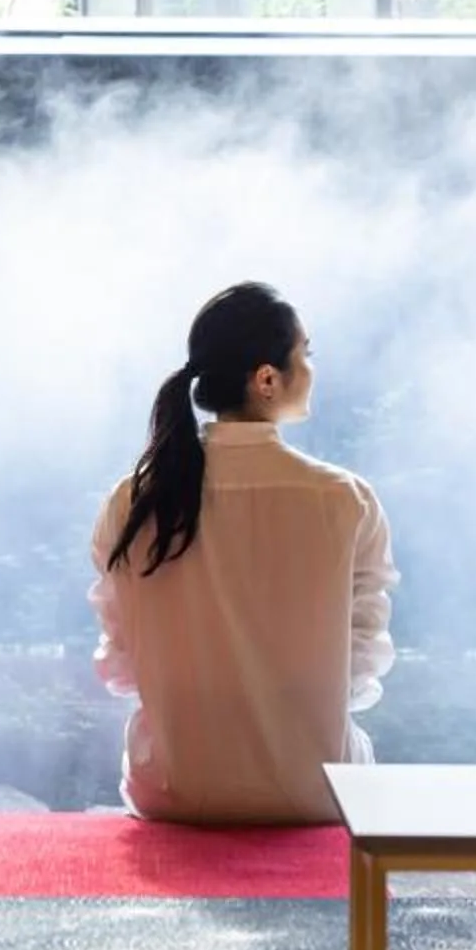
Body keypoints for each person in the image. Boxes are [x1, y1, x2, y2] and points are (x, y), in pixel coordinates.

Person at [89, 282, 398, 824]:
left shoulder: (133, 502)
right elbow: (363, 658)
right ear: (267, 379)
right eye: (305, 353)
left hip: (175, 791)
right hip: (316, 793)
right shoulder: (345, 501)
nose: (312, 369)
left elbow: (121, 662)